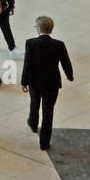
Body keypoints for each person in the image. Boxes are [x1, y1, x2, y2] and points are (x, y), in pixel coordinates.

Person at [21, 16, 73, 152]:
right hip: (52, 83)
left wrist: (23, 82)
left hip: (34, 82)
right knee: (48, 112)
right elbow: (66, 62)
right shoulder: (59, 45)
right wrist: (70, 75)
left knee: (34, 103)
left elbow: (27, 64)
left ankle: (33, 123)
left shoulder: (30, 43)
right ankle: (44, 143)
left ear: (38, 29)